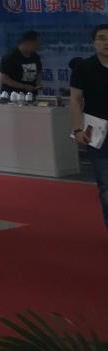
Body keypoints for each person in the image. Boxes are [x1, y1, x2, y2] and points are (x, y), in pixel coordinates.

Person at [71, 24, 108, 229]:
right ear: (94, 43)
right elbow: (75, 99)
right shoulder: (84, 68)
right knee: (106, 184)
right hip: (98, 133)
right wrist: (77, 129)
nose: (106, 42)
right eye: (101, 38)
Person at [0, 31, 42, 96]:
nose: (38, 46)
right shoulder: (10, 56)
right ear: (28, 42)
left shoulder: (35, 56)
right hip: (13, 95)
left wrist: (38, 84)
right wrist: (24, 86)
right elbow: (4, 79)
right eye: (36, 44)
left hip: (31, 95)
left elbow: (38, 72)